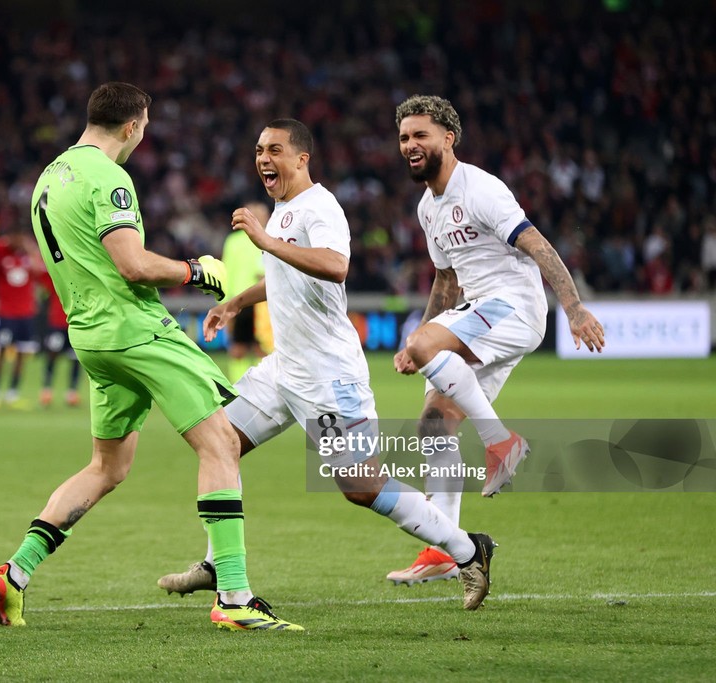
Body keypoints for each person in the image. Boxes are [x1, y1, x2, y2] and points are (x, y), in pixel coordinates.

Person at [0, 82, 301, 631]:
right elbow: (131, 264)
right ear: (132, 126)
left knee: (108, 466)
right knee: (220, 442)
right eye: (144, 127)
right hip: (134, 329)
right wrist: (194, 272)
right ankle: (235, 598)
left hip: (90, 337)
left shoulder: (48, 178)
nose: (143, 135)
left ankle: (15, 572)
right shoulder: (110, 178)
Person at [157, 119, 495, 611]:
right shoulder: (282, 212)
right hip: (283, 370)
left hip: (328, 377)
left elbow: (336, 265)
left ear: (301, 158)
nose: (263, 159)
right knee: (218, 442)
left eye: (274, 150)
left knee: (360, 485)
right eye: (258, 150)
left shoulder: (320, 206)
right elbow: (285, 275)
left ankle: (468, 550)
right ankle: (220, 563)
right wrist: (237, 303)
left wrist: (265, 242)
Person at [386, 95, 604, 585]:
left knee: (426, 350)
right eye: (404, 137)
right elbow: (445, 282)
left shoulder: (481, 189)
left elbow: (539, 246)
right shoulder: (428, 207)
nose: (410, 145)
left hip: (513, 307)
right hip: (477, 313)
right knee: (433, 427)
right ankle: (444, 549)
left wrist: (573, 308)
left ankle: (502, 442)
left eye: (420, 135)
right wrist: (415, 342)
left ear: (448, 137)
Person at [0, 230, 40, 410]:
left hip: (26, 313)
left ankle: (12, 393)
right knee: (1, 353)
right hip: (6, 313)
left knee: (21, 355)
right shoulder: (2, 257)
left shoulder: (29, 258)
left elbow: (40, 269)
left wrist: (31, 249)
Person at [220, 200, 268, 382]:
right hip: (256, 301)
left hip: (243, 300)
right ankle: (259, 386)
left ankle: (240, 386)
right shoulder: (265, 239)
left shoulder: (233, 241)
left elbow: (225, 273)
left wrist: (224, 303)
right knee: (259, 348)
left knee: (242, 348)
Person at [36, 272, 82, 408]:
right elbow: (42, 281)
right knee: (51, 356)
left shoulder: (81, 273)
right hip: (57, 322)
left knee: (75, 358)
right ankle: (46, 390)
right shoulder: (57, 273)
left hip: (76, 323)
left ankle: (72, 393)